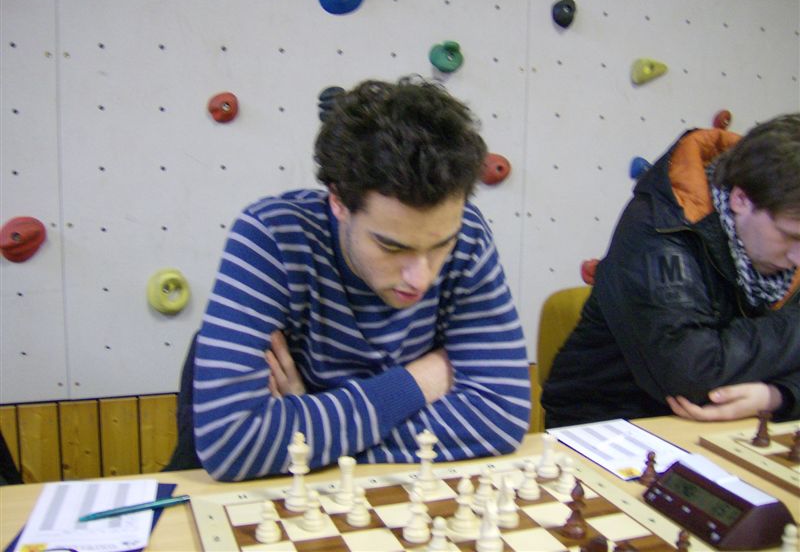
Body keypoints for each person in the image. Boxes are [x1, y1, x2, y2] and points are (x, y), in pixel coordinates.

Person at [193, 77, 531, 481]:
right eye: (392, 247)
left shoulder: (469, 236)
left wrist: (306, 428)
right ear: (338, 202)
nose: (421, 278)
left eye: (441, 245)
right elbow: (233, 442)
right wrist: (418, 381)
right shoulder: (271, 237)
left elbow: (500, 416)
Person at [542, 113, 800, 428]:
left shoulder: (782, 235)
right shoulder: (660, 231)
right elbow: (693, 376)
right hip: (609, 423)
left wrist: (779, 395)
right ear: (741, 199)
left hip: (729, 424)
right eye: (791, 236)